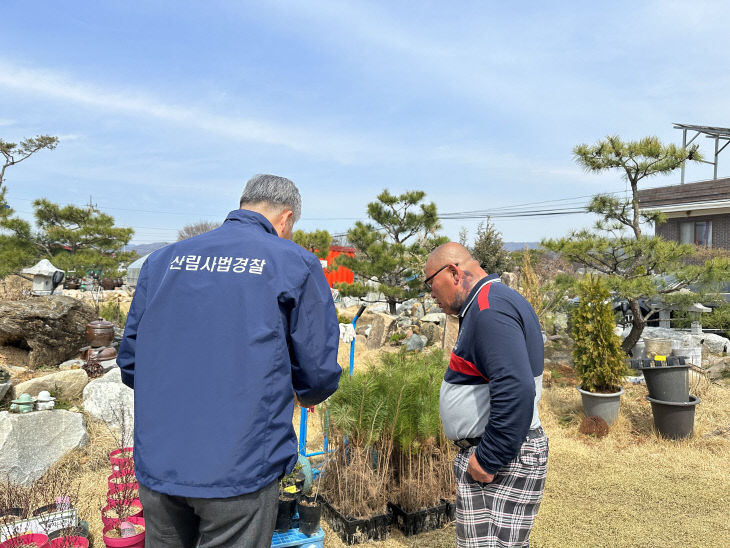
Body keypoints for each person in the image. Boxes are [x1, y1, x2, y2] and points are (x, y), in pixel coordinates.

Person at [117, 174, 342, 547]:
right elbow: (317, 373)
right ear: (286, 218)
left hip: (160, 464)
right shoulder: (294, 263)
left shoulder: (163, 262)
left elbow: (131, 364)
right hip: (240, 468)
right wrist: (305, 394)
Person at [424, 242, 547, 547]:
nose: (430, 293)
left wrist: (489, 458)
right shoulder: (489, 302)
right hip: (503, 452)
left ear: (453, 272)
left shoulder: (489, 308)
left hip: (502, 459)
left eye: (430, 283)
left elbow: (516, 387)